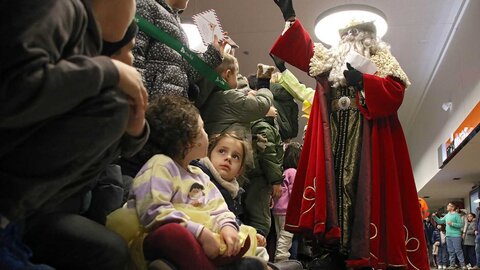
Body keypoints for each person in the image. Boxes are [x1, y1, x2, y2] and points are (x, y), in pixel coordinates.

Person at [269, 0, 428, 269]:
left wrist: (365, 81)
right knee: (334, 188)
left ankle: (361, 251)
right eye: (348, 34)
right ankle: (336, 248)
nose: (352, 38)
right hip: (334, 135)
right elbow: (307, 52)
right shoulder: (330, 60)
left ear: (369, 38)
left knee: (360, 189)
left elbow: (395, 92)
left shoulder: (383, 60)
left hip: (367, 137)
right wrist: (290, 16)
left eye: (358, 34)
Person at [0, 0, 149, 269]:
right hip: (29, 209)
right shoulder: (61, 8)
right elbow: (14, 86)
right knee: (112, 106)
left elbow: (121, 149)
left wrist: (136, 125)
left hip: (38, 209)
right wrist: (109, 71)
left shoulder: (84, 39)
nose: (136, 10)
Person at [107, 96, 266, 270]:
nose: (207, 134)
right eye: (203, 129)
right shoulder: (160, 165)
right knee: (174, 234)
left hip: (201, 247)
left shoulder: (200, 175)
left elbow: (219, 209)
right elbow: (154, 211)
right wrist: (200, 233)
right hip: (159, 239)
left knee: (247, 245)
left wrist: (227, 227)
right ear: (188, 142)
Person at [133, 0, 224, 100]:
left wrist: (214, 53)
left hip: (171, 105)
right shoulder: (146, 6)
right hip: (151, 105)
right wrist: (137, 98)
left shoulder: (176, 22)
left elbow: (187, 72)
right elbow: (134, 55)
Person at [199, 54, 274, 138]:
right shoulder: (230, 98)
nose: (238, 79)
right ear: (228, 74)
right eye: (236, 74)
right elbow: (261, 105)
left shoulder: (209, 96)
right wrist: (264, 85)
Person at [244, 105, 284, 238]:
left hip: (257, 177)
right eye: (270, 105)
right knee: (261, 221)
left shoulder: (258, 125)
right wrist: (276, 181)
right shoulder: (264, 127)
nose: (275, 109)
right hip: (260, 178)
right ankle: (256, 255)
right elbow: (269, 155)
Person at [272, 142, 302, 262]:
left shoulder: (283, 172)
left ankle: (280, 258)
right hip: (287, 210)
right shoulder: (293, 173)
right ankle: (282, 260)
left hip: (277, 210)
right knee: (286, 236)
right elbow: (294, 192)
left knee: (280, 237)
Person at [433, 202, 466, 269]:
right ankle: (452, 265)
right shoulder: (447, 215)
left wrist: (452, 224)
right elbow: (440, 221)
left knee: (458, 250)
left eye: (449, 205)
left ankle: (463, 265)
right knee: (450, 251)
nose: (447, 206)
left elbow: (461, 225)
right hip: (448, 236)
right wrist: (434, 217)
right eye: (447, 205)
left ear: (453, 207)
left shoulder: (456, 215)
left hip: (456, 235)